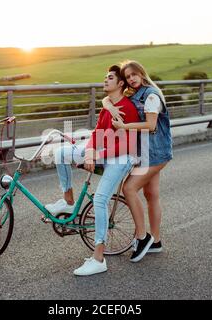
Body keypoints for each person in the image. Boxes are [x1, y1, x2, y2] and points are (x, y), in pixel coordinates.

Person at [45, 65, 140, 276]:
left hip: (122, 157)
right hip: (102, 152)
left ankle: (98, 259)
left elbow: (128, 144)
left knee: (100, 200)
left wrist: (97, 155)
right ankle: (68, 202)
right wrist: (89, 152)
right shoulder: (107, 106)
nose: (105, 80)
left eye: (110, 78)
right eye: (105, 77)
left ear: (121, 83)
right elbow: (97, 132)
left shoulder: (127, 108)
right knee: (61, 153)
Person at [102, 60, 173, 263]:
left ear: (142, 73)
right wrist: (108, 105)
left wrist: (124, 127)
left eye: (134, 74)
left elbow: (151, 125)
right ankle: (156, 242)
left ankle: (143, 238)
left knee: (129, 188)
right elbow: (107, 99)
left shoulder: (150, 95)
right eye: (128, 76)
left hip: (156, 153)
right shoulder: (135, 93)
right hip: (147, 152)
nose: (131, 78)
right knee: (151, 194)